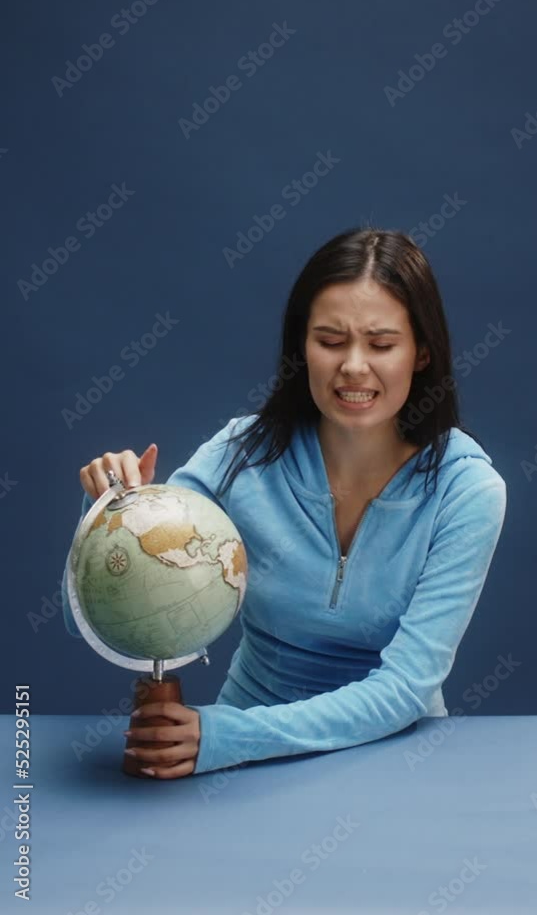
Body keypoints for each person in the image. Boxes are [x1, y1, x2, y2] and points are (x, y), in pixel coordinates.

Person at [61, 227, 507, 779]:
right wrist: (107, 513)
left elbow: (406, 689)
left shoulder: (467, 490)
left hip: (392, 761)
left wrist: (229, 737)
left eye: (381, 344)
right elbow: (90, 619)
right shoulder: (241, 453)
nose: (354, 366)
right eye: (331, 340)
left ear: (422, 352)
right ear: (302, 347)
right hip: (241, 771)